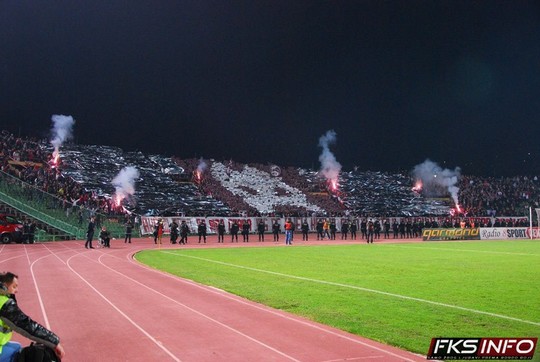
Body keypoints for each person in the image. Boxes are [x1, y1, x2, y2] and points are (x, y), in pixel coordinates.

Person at [0, 272, 65, 361]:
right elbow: (28, 326)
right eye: (14, 286)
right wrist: (54, 342)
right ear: (3, 286)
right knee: (21, 354)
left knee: (17, 346)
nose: (17, 290)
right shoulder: (4, 303)